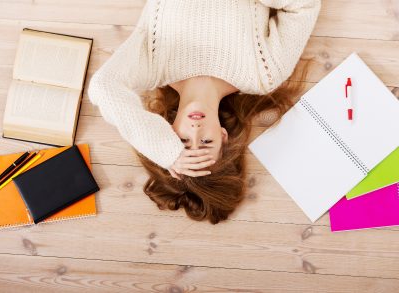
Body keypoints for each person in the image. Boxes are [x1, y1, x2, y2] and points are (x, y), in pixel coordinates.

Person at [87, 0, 321, 224]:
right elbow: (304, 5)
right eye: (207, 142)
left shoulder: (152, 65)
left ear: (167, 131)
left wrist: (165, 150)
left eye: (183, 141)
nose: (196, 130)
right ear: (223, 136)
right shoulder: (264, 74)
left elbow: (103, 87)